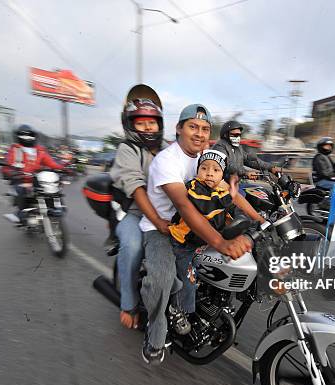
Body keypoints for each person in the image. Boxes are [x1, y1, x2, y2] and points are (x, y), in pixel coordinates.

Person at [138, 104, 255, 365]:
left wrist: (261, 218)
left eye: (204, 129)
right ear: (179, 129)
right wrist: (220, 242)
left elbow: (231, 194)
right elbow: (185, 207)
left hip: (196, 228)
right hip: (165, 229)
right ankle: (155, 336)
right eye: (193, 126)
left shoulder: (208, 158)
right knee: (163, 278)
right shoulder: (167, 161)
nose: (199, 133)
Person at [168, 149, 263, 320]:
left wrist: (256, 223)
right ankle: (180, 311)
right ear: (198, 171)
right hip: (184, 244)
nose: (209, 174)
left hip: (205, 241)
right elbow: (206, 206)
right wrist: (230, 197)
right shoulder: (193, 187)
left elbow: (235, 211)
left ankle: (218, 303)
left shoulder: (221, 192)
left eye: (216, 170)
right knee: (188, 280)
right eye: (204, 168)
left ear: (222, 175)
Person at [109, 84, 169, 330]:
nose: (147, 127)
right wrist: (158, 222)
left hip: (167, 213)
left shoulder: (168, 148)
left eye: (151, 123)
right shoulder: (128, 149)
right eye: (141, 123)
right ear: (130, 125)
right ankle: (129, 304)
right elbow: (136, 188)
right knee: (132, 246)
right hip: (134, 213)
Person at [2, 124, 66, 223]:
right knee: (21, 189)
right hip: (22, 179)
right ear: (18, 136)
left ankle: (58, 207)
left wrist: (63, 168)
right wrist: (10, 172)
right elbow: (8, 165)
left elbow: (51, 163)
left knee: (55, 186)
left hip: (37, 178)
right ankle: (21, 214)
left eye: (29, 135)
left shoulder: (40, 150)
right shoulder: (16, 149)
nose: (27, 138)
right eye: (23, 135)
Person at [212, 120, 279, 180]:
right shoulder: (220, 146)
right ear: (225, 135)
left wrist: (270, 167)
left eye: (239, 135)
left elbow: (249, 160)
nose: (237, 137)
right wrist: (245, 172)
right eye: (234, 135)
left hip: (236, 182)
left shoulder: (237, 148)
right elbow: (227, 165)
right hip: (222, 184)